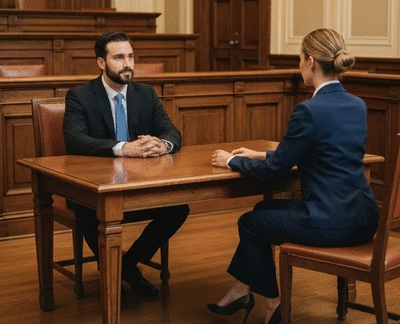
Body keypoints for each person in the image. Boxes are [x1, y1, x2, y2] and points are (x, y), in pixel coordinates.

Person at [207, 28, 379, 324]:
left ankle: (273, 304)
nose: (299, 64)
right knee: (263, 210)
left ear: (310, 61)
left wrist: (232, 160)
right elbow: (324, 152)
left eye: (300, 58)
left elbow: (275, 171)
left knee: (249, 224)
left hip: (329, 222)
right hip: (364, 219)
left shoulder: (309, 110)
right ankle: (241, 289)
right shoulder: (357, 105)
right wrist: (259, 154)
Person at [63, 31, 190, 297]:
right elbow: (75, 140)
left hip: (139, 184)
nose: (127, 63)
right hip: (95, 186)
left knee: (178, 207)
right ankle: (127, 270)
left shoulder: (145, 94)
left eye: (130, 56)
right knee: (87, 209)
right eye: (119, 57)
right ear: (101, 63)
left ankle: (126, 264)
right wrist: (123, 148)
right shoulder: (80, 96)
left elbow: (173, 133)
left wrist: (162, 144)